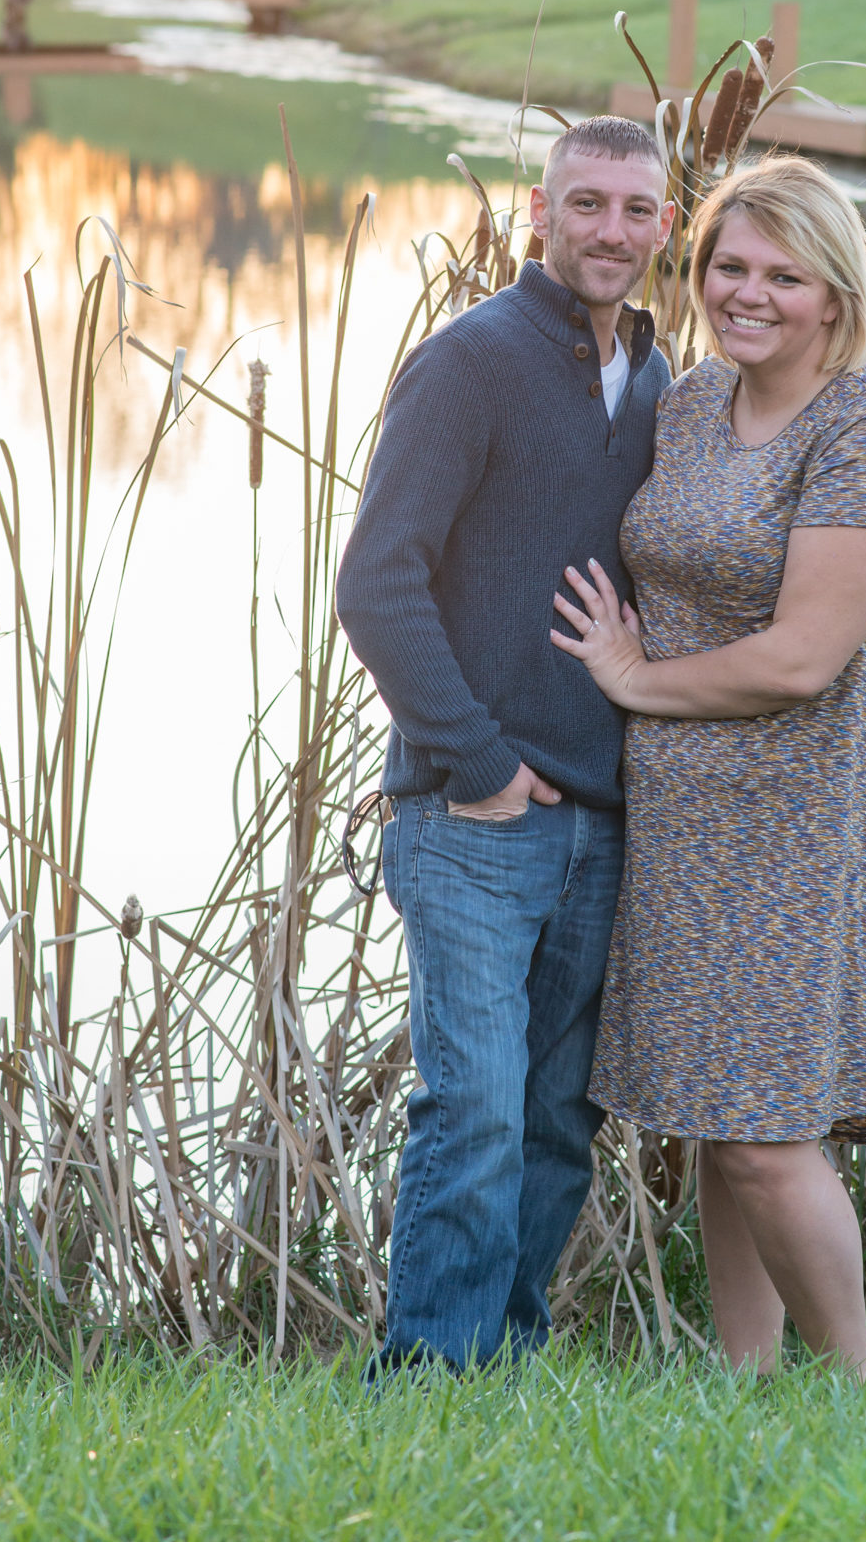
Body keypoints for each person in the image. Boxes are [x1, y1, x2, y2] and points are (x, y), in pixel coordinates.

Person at [552, 153, 866, 1378]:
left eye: (784, 276)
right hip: (691, 815)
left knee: (766, 1130)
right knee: (717, 1112)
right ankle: (749, 1385)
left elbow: (800, 659)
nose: (748, 294)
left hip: (824, 814)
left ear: (838, 293)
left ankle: (850, 1392)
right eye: (728, 267)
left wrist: (634, 682)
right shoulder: (692, 403)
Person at [336, 116, 675, 1372]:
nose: (611, 231)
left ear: (666, 225)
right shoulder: (470, 362)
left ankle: (500, 1368)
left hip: (605, 821)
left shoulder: (658, 378)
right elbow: (377, 584)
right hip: (475, 818)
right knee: (472, 1109)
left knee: (554, 1125)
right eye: (586, 203)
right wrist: (478, 766)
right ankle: (428, 1374)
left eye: (636, 209)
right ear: (539, 214)